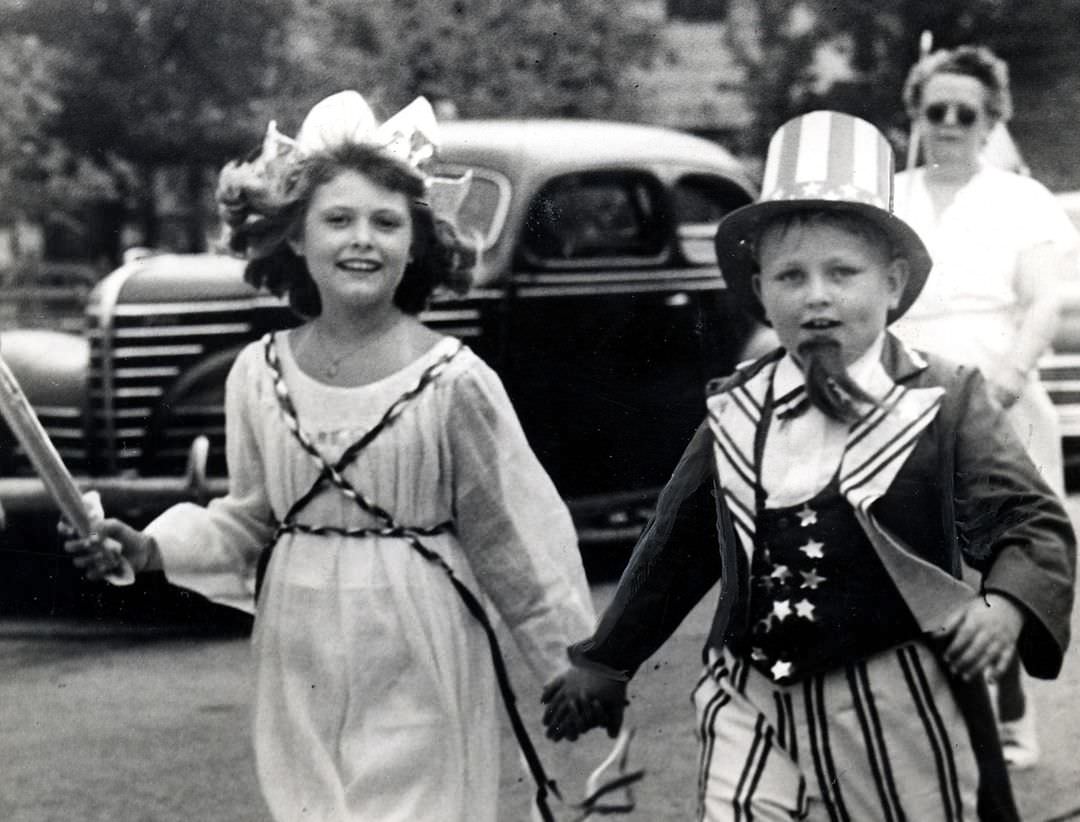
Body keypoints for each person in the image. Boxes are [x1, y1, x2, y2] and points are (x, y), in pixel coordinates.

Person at [62, 91, 595, 822]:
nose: (362, 240)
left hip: (419, 635)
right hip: (298, 643)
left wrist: (570, 666)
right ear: (294, 237)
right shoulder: (259, 372)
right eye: (337, 219)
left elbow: (513, 538)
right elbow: (249, 519)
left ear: (417, 242)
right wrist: (150, 546)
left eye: (386, 222)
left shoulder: (454, 381)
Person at [541, 110, 1075, 821]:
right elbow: (676, 547)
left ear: (893, 283)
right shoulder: (736, 408)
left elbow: (1032, 522)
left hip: (894, 698)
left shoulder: (945, 399)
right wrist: (607, 660)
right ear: (760, 290)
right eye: (791, 275)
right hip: (750, 690)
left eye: (842, 272)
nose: (816, 295)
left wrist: (1007, 605)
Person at [893, 44, 1080, 769]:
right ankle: (925, 718)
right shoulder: (889, 196)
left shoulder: (1019, 199)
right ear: (914, 113)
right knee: (911, 558)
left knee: (1000, 558)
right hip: (901, 400)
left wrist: (999, 384)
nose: (947, 123)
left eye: (964, 112)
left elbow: (1043, 303)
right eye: (933, 109)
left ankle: (1009, 719)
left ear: (991, 119)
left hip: (998, 398)